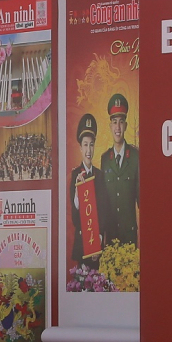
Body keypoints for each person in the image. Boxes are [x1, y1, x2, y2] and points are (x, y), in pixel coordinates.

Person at [98, 94, 137, 248]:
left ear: (126, 125)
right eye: (114, 122)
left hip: (129, 236)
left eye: (121, 122)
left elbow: (142, 199)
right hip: (111, 235)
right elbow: (102, 200)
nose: (118, 128)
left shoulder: (135, 157)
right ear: (110, 126)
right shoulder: (104, 159)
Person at [68, 113, 103, 270]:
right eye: (86, 145)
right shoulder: (76, 175)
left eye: (91, 145)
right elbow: (75, 217)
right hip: (82, 245)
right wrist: (78, 192)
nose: (89, 150)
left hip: (97, 245)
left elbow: (104, 211)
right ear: (80, 148)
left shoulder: (100, 175)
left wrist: (99, 239)